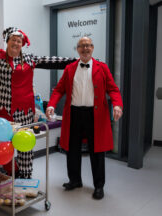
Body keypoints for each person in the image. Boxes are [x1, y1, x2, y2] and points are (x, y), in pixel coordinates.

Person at [0, 15, 75, 179]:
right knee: (0, 143)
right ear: (7, 41)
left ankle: (25, 175)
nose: (16, 43)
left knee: (24, 145)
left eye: (19, 41)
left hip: (24, 111)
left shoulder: (30, 59)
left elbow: (53, 61)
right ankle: (13, 170)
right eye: (13, 40)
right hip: (3, 112)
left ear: (22, 44)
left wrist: (76, 61)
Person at [46, 37, 123, 199]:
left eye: (88, 45)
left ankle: (99, 186)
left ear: (92, 48)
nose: (85, 48)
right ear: (77, 49)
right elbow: (59, 89)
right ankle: (74, 180)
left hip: (95, 115)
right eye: (82, 46)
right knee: (72, 149)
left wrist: (117, 105)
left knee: (97, 151)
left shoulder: (102, 68)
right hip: (74, 114)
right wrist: (52, 104)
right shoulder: (69, 69)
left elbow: (113, 89)